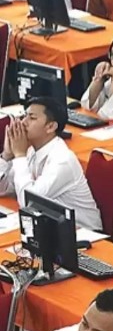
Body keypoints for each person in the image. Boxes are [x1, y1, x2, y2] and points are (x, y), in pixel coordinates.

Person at [0, 97, 102, 231]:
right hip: (51, 226)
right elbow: (3, 189)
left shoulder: (62, 160)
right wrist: (6, 156)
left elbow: (28, 202)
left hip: (83, 233)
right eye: (24, 116)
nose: (23, 122)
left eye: (32, 118)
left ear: (50, 127)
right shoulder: (31, 151)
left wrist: (19, 155)